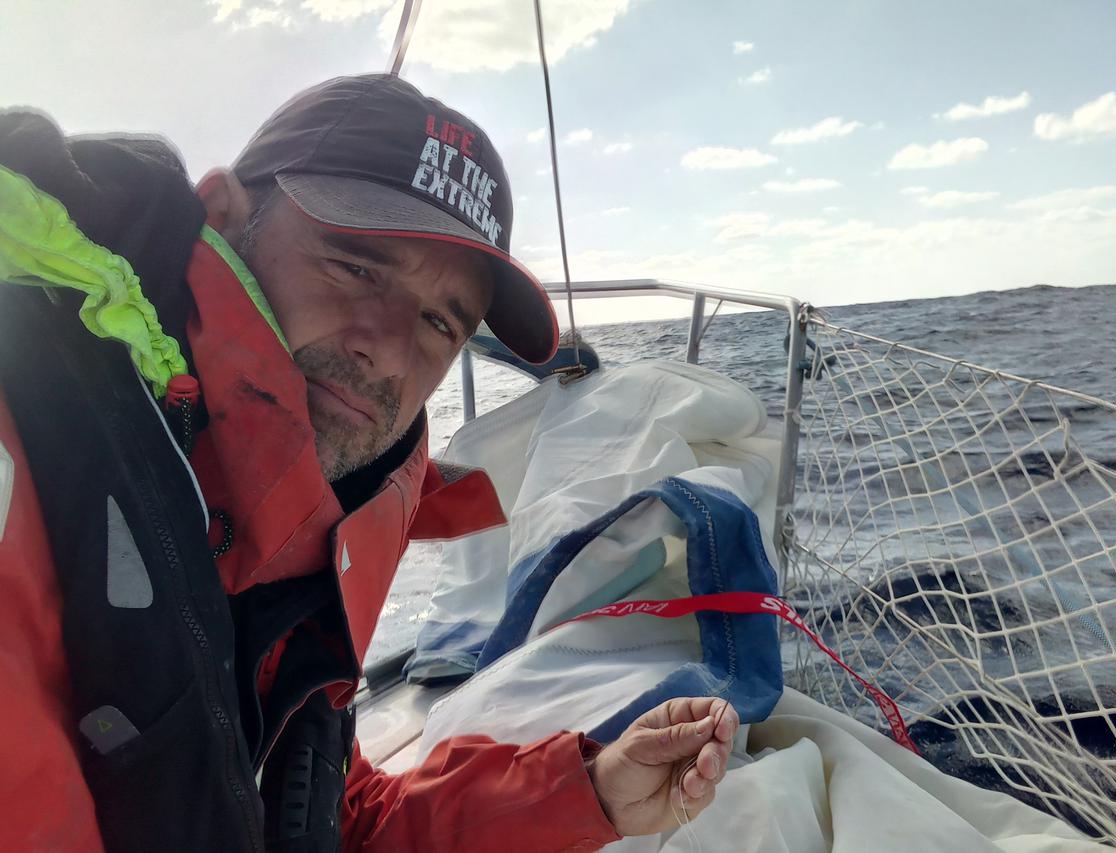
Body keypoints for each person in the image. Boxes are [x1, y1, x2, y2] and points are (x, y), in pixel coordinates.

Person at [0, 74, 738, 852]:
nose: (386, 351)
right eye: (355, 266)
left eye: (439, 321)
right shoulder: (28, 444)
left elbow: (324, 817)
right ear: (220, 214)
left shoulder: (290, 543)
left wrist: (591, 789)